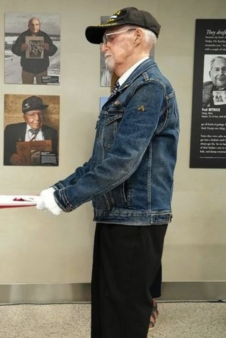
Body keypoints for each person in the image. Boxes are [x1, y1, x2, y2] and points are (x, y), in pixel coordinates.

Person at [36, 7, 179, 338]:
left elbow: (123, 162)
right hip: (118, 218)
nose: (104, 47)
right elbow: (100, 162)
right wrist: (56, 190)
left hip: (136, 222)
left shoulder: (150, 87)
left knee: (123, 321)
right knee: (107, 314)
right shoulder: (126, 90)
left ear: (138, 37)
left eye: (111, 38)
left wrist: (66, 198)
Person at [3, 96, 58, 165]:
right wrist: (10, 157)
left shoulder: (52, 133)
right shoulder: (11, 130)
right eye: (32, 115)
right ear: (25, 118)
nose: (37, 119)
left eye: (40, 114)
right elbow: (1, 152)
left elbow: (56, 159)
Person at [11, 17, 58, 85]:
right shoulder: (23, 36)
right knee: (26, 91)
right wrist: (21, 48)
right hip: (27, 69)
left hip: (42, 69)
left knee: (43, 91)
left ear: (39, 25)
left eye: (36, 24)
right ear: (28, 25)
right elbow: (13, 49)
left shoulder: (44, 36)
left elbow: (54, 49)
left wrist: (48, 48)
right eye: (32, 24)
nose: (34, 27)